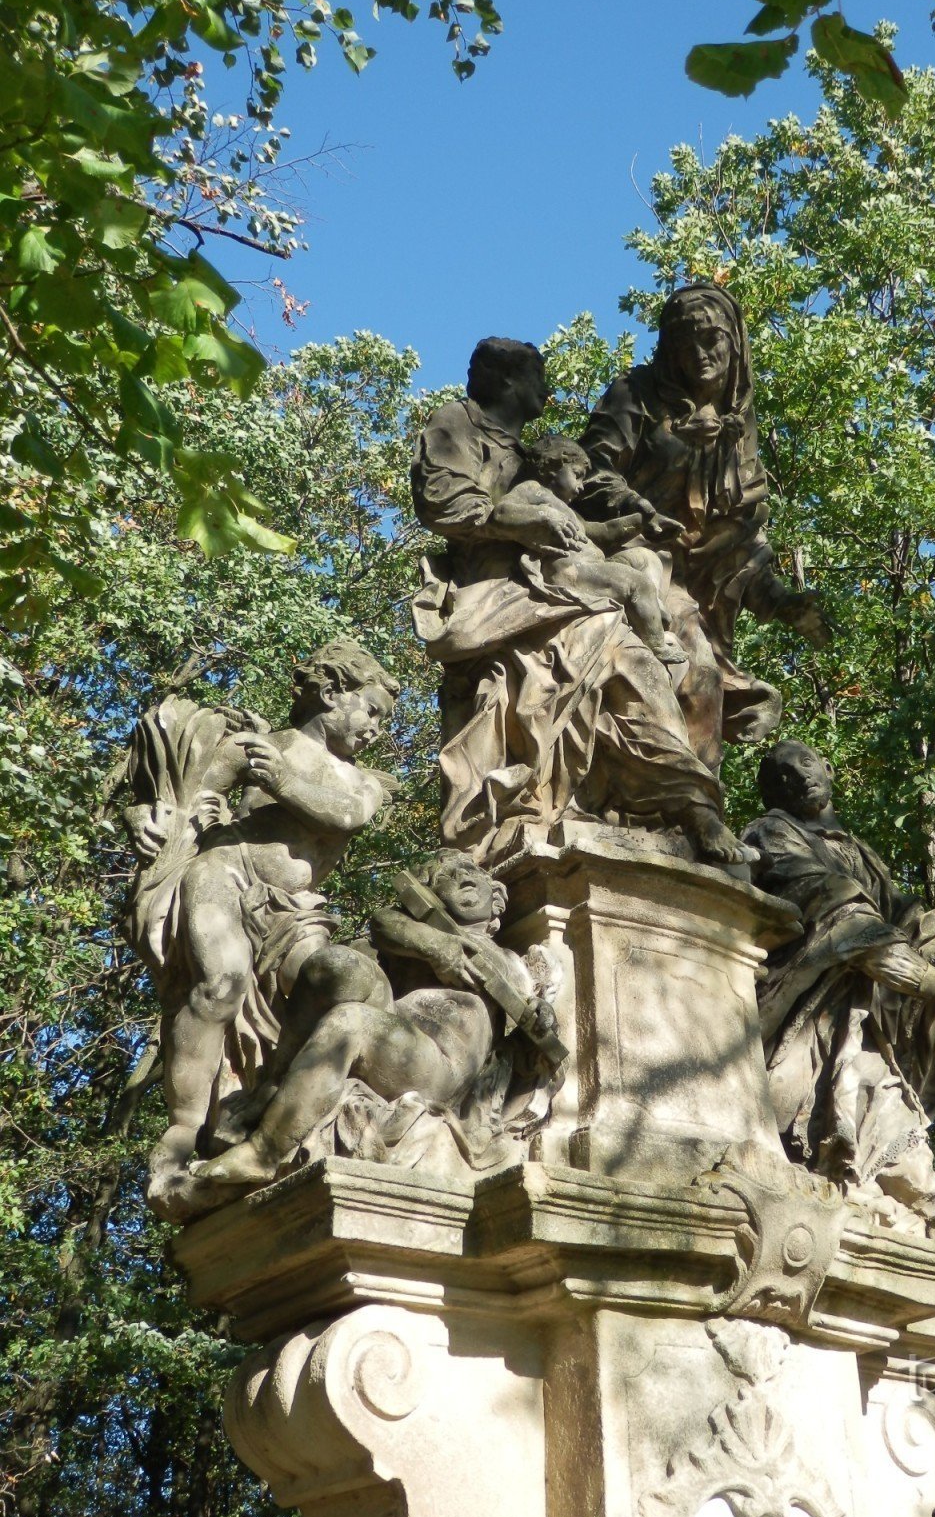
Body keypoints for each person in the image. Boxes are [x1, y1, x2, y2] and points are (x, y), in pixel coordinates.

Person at [409, 335, 750, 866]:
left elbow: (586, 524)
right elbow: (443, 501)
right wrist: (520, 522)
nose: (547, 388)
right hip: (502, 590)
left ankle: (684, 805)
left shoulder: (535, 456)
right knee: (617, 646)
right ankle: (574, 802)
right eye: (537, 378)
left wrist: (636, 522)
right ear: (505, 381)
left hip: (556, 585)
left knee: (648, 657)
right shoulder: (458, 423)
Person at [123, 640, 398, 1216]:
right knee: (219, 985)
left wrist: (283, 784)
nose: (377, 729)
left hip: (295, 911)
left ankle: (264, 1100)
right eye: (371, 711)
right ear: (330, 694)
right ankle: (184, 1127)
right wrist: (147, 820)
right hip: (224, 871)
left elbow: (348, 816)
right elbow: (192, 798)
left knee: (338, 980)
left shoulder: (365, 780)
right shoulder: (263, 747)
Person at [742, 740, 935, 1235]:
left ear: (828, 767)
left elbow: (912, 919)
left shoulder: (857, 850)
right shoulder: (770, 833)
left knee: (905, 1157)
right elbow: (842, 917)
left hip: (867, 1015)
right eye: (780, 776)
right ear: (771, 796)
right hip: (808, 1011)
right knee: (867, 1113)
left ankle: (885, 1208)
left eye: (805, 762)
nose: (797, 777)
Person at [191, 850, 564, 1186]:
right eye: (446, 875)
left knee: (350, 1022)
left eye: (471, 872)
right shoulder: (418, 933)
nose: (461, 876)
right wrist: (436, 946)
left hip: (438, 1063)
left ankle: (265, 1152)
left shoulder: (511, 963)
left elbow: (535, 1027)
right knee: (335, 965)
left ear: (497, 897)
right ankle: (274, 1086)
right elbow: (384, 922)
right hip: (396, 1025)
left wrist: (543, 1017)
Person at [581, 285, 832, 773]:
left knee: (703, 679)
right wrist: (645, 497)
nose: (699, 353)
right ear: (668, 350)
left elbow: (737, 537)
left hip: (688, 583)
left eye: (711, 338)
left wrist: (783, 602)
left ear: (734, 341)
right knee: (693, 671)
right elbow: (587, 471)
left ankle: (695, 809)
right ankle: (680, 807)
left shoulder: (739, 427)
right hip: (634, 562)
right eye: (683, 342)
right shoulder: (635, 397)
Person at [513, 434, 684, 666]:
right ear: (554, 465)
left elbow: (601, 531)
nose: (581, 486)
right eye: (577, 475)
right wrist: (544, 516)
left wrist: (643, 521)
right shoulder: (531, 490)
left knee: (645, 557)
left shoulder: (568, 510)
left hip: (594, 567)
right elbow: (501, 512)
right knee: (637, 582)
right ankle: (656, 643)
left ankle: (652, 608)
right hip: (569, 572)